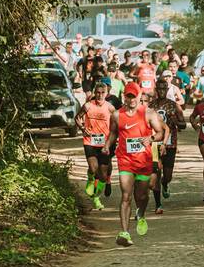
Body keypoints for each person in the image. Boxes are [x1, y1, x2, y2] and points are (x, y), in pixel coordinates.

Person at [103, 82, 168, 247]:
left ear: (139, 96)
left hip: (144, 160)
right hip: (125, 160)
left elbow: (160, 132)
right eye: (128, 96)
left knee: (142, 196)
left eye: (134, 96)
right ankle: (124, 232)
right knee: (126, 195)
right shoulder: (117, 115)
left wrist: (151, 138)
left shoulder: (148, 113)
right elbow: (113, 133)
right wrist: (107, 145)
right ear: (124, 96)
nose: (131, 99)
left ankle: (141, 214)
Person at [75, 82, 116, 210]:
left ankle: (96, 197)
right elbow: (77, 118)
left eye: (102, 93)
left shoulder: (110, 108)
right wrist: (83, 128)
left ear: (106, 94)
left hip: (104, 144)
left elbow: (117, 124)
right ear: (94, 92)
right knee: (93, 168)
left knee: (103, 175)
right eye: (97, 92)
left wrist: (115, 137)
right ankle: (90, 177)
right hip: (90, 141)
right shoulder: (88, 106)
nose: (100, 95)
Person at [149, 80, 186, 213]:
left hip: (170, 143)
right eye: (159, 89)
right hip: (155, 143)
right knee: (156, 172)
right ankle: (158, 204)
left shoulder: (174, 105)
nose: (161, 91)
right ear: (156, 90)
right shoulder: (151, 105)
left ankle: (165, 184)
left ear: (167, 90)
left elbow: (183, 125)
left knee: (167, 175)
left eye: (164, 89)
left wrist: (176, 122)